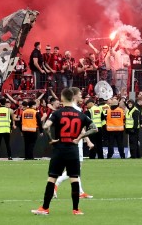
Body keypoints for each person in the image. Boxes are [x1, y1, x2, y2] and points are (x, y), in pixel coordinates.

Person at [32, 87, 97, 216]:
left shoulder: (57, 113)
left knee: (52, 178)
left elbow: (46, 126)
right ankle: (76, 209)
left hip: (60, 148)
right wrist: (79, 138)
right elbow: (94, 128)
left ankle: (45, 208)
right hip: (73, 149)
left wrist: (52, 139)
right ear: (73, 98)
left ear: (62, 98)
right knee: (74, 178)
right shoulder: (80, 114)